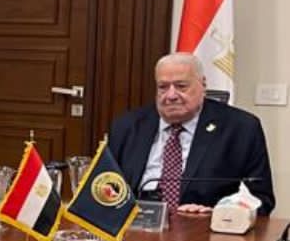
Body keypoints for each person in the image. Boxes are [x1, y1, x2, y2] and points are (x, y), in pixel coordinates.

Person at [108, 52, 274, 215]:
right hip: (136, 225)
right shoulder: (128, 127)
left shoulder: (240, 128)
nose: (171, 95)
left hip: (207, 229)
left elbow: (261, 200)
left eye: (181, 86)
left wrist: (218, 213)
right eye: (163, 87)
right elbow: (105, 189)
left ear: (203, 85)